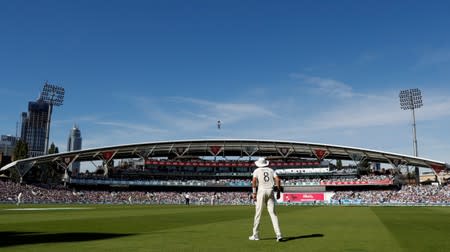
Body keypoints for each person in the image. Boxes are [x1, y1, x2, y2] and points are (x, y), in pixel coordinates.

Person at [249, 157, 283, 242]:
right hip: (270, 191)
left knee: (258, 213)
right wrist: (278, 191)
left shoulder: (256, 171)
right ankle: (278, 234)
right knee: (273, 214)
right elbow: (278, 180)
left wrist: (254, 193)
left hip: (261, 191)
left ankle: (255, 235)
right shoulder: (271, 170)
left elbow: (254, 181)